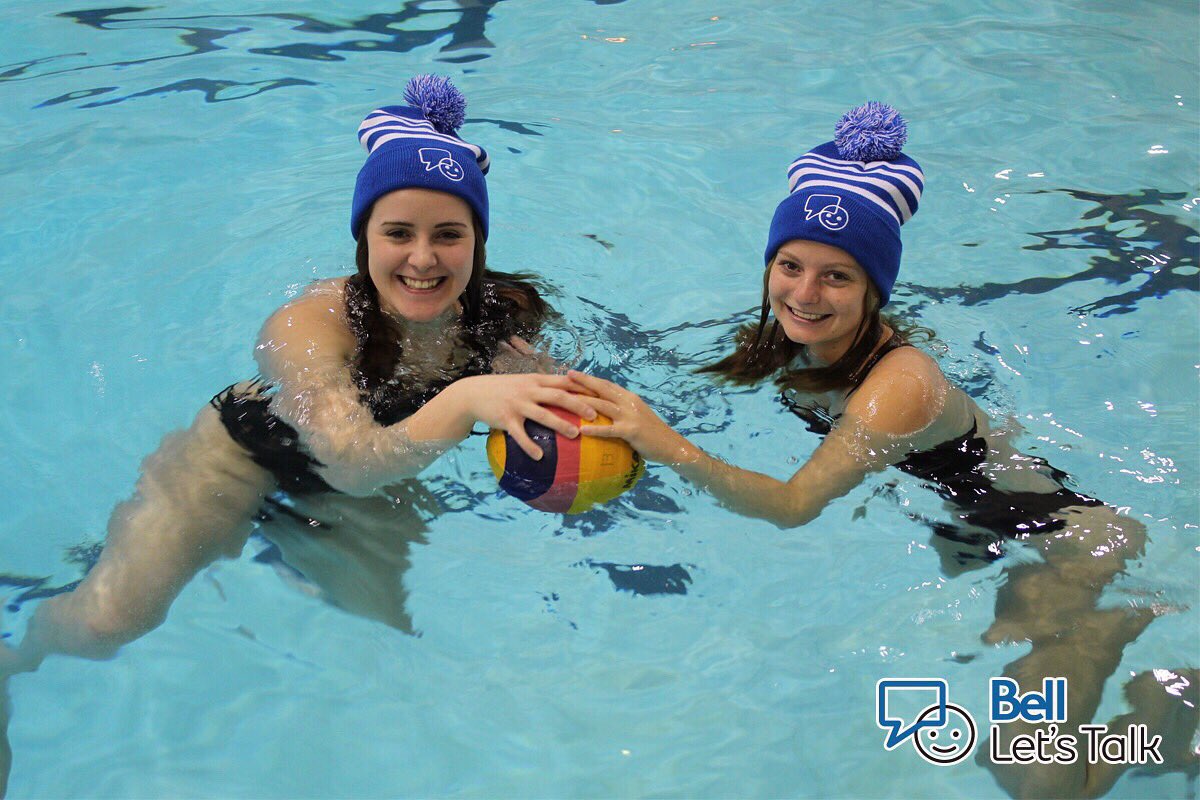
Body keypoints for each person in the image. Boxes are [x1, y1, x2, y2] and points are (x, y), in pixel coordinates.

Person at [569, 103, 1197, 798]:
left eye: (836, 277)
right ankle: (1153, 700)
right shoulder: (787, 338)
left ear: (874, 288)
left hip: (1061, 543)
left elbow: (795, 505)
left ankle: (1158, 692)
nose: (803, 294)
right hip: (988, 535)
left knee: (1035, 779)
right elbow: (673, 376)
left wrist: (666, 446)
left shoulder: (895, 386)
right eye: (790, 265)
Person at [1, 74, 595, 672]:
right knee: (106, 624)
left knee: (387, 632)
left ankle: (290, 544)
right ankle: (14, 659)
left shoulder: (500, 313)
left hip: (367, 480)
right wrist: (469, 398)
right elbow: (352, 462)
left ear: (477, 242)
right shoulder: (307, 323)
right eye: (397, 233)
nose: (422, 258)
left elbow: (545, 401)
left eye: (448, 235)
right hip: (244, 458)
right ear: (364, 238)